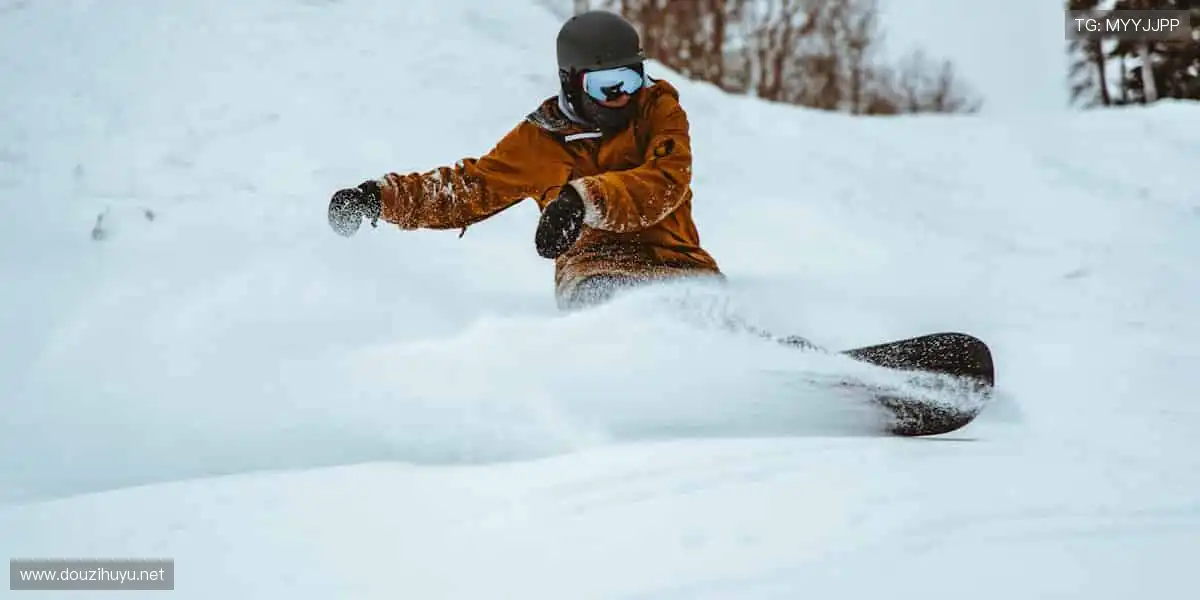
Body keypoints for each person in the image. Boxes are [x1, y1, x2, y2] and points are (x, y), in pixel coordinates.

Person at [326, 10, 723, 311]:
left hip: (679, 263)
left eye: (632, 78)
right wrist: (379, 198)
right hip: (596, 272)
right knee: (623, 313)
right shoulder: (541, 141)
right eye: (606, 85)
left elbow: (665, 182)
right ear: (571, 82)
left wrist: (581, 201)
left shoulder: (659, 112)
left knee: (703, 310)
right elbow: (470, 188)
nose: (623, 95)